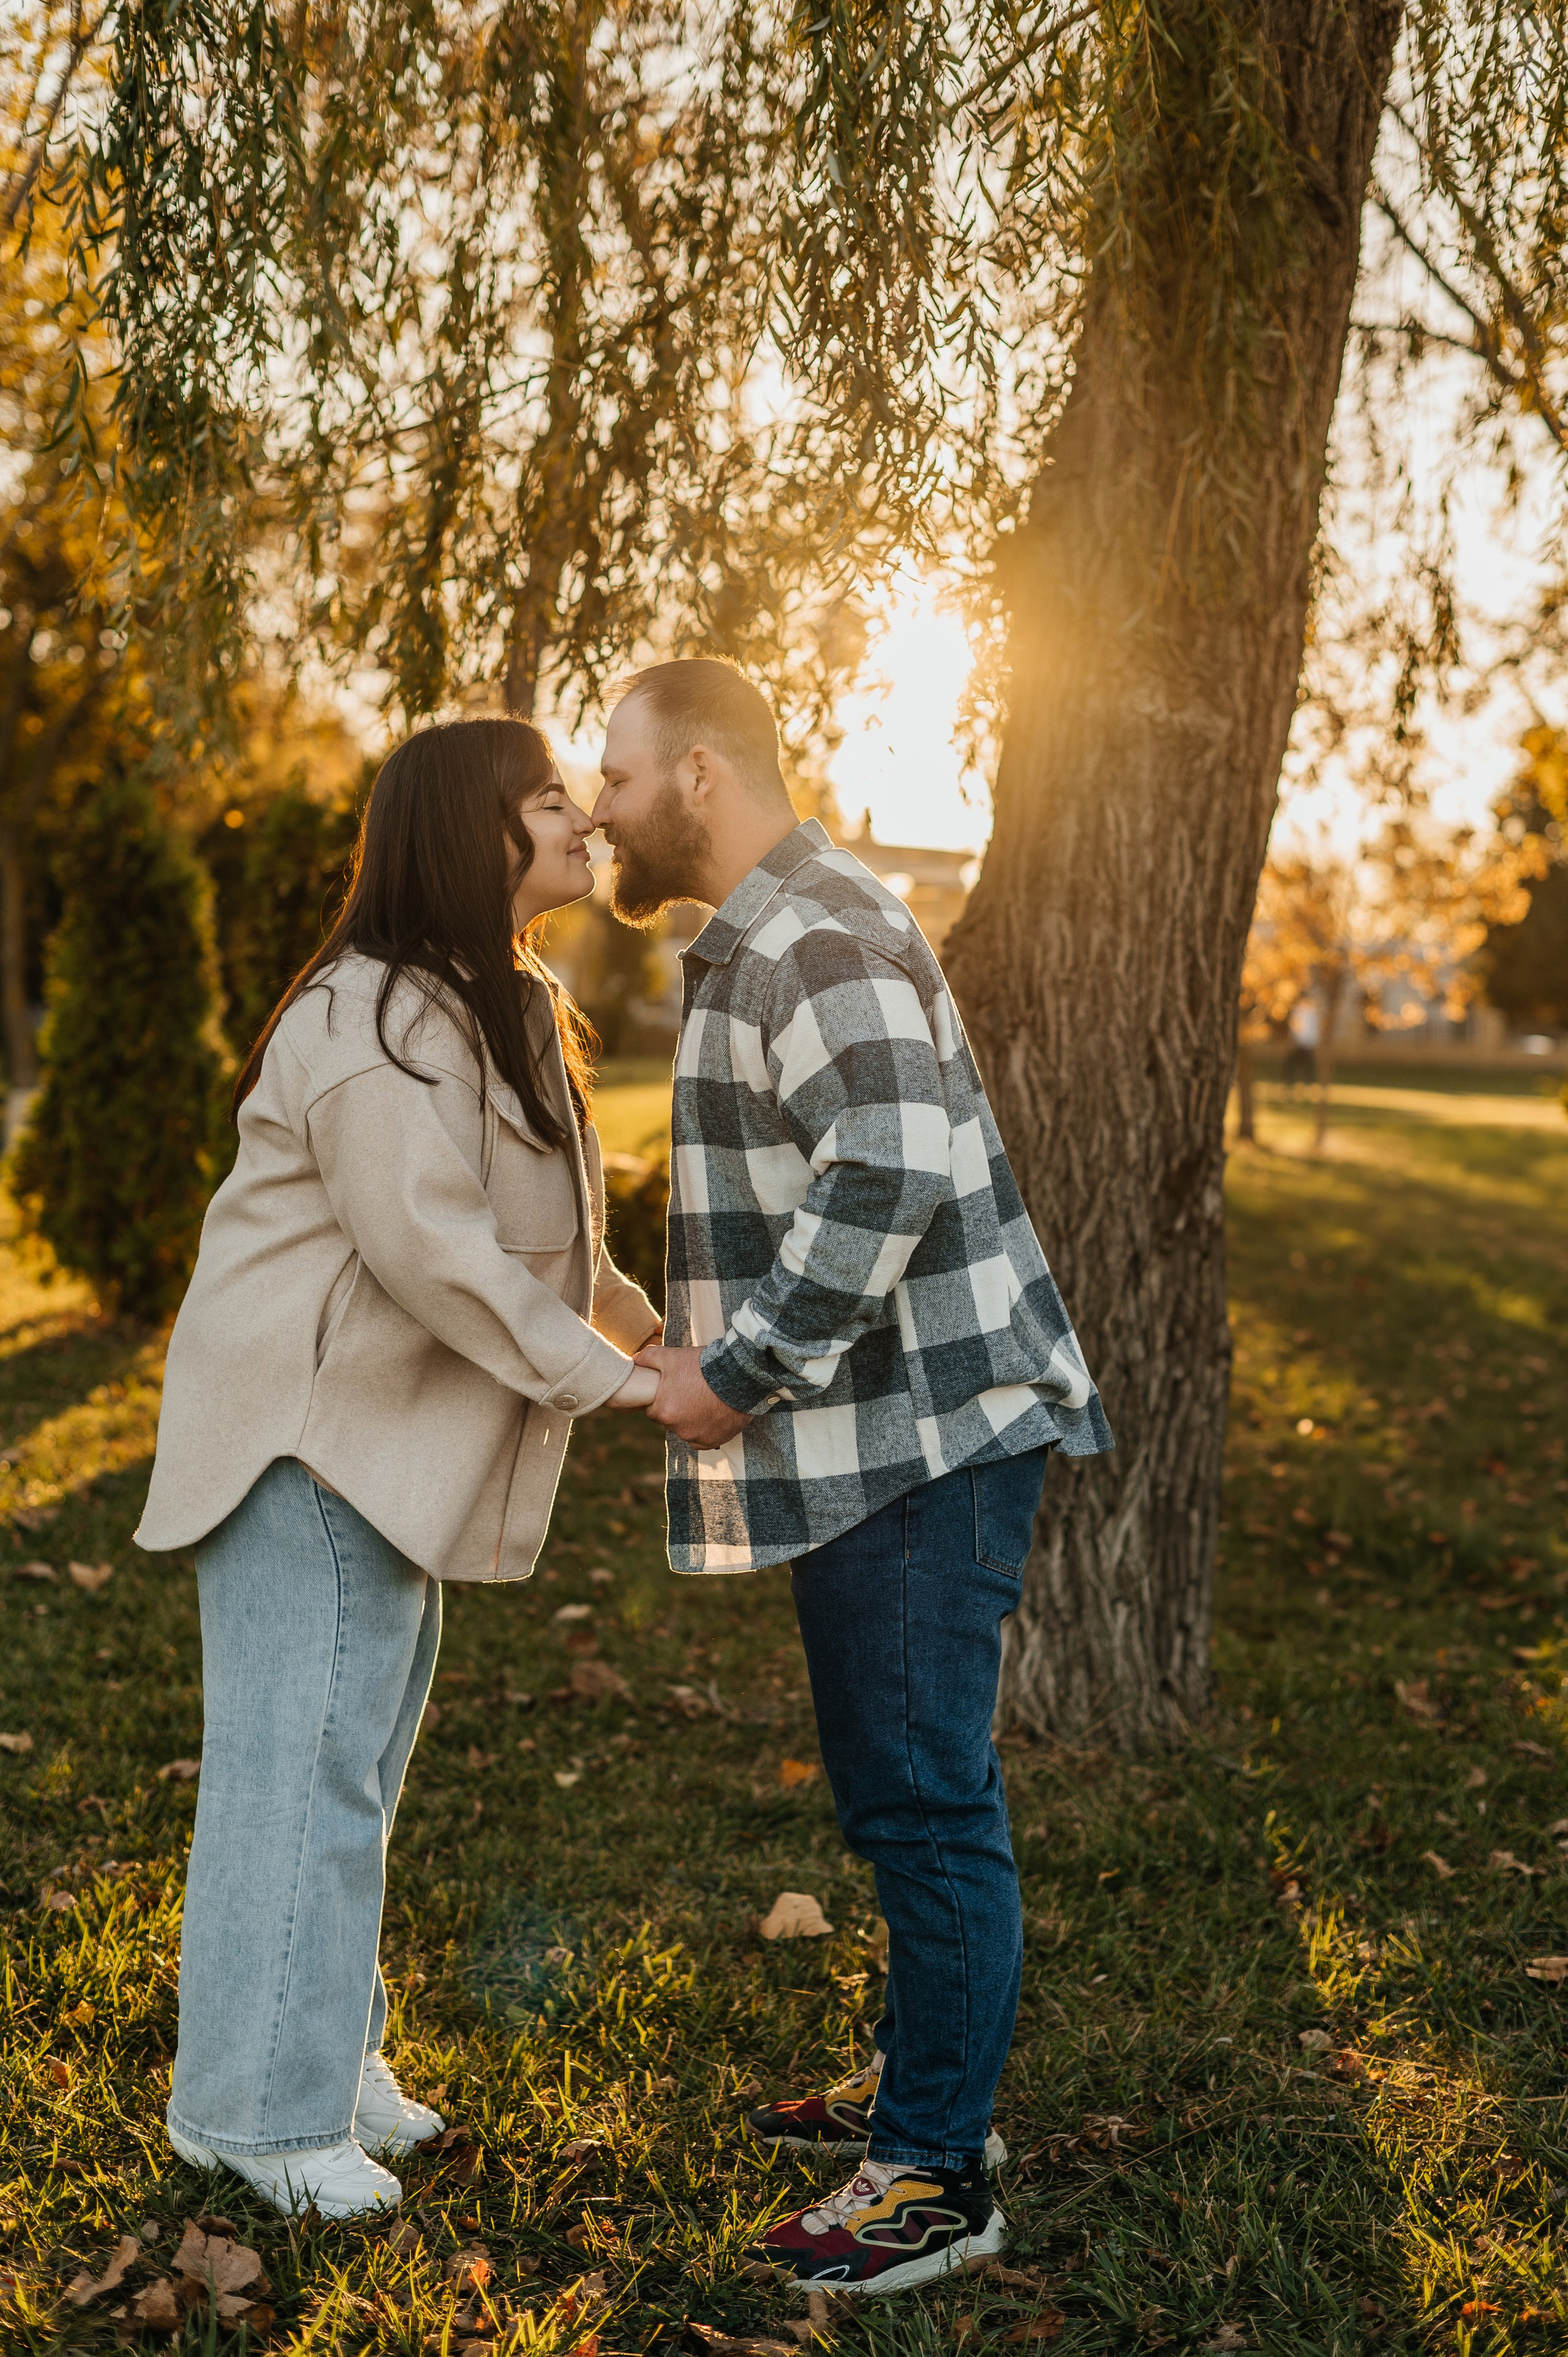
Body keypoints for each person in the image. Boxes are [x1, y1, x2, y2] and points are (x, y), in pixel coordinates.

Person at [591, 659, 1113, 2297]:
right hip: (900, 1430)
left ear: (696, 772)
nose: (599, 802)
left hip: (925, 1437)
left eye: (613, 769)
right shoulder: (782, 920)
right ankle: (923, 2096)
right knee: (906, 1791)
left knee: (922, 1800)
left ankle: (936, 2181)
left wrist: (736, 1373)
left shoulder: (805, 928)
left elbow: (887, 1159)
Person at [135, 718, 662, 2219]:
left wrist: (667, 1341)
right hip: (302, 1437)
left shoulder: (500, 999)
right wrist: (611, 1384)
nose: (580, 818)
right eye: (548, 795)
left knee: (344, 1766)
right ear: (465, 829)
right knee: (294, 1772)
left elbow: (557, 1251)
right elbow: (427, 1248)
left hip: (377, 1444)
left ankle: (322, 2051)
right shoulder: (366, 1016)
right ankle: (253, 2114)